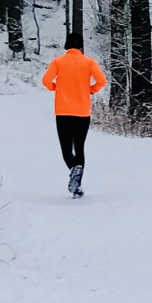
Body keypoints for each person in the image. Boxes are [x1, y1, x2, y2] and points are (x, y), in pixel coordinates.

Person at [41, 32, 107, 198]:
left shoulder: (58, 62)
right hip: (82, 111)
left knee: (66, 149)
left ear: (66, 46)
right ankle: (77, 185)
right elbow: (102, 80)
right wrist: (91, 89)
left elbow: (46, 81)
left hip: (63, 111)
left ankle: (73, 169)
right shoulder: (89, 62)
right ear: (81, 47)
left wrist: (56, 87)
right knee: (79, 148)